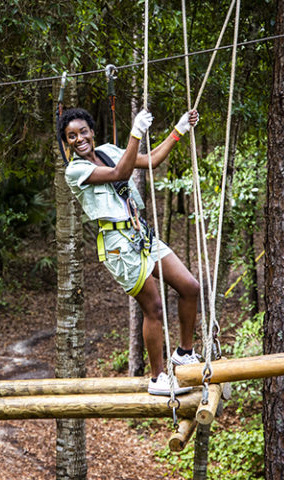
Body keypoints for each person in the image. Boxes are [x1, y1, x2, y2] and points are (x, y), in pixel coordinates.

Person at [59, 107, 200, 396]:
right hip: (118, 246)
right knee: (154, 308)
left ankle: (185, 352)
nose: (79, 139)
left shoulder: (109, 150)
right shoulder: (75, 170)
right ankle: (157, 377)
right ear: (67, 142)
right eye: (71, 136)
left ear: (92, 131)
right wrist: (136, 132)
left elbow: (149, 161)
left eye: (83, 131)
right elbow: (119, 173)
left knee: (190, 286)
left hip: (139, 233)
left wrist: (179, 130)